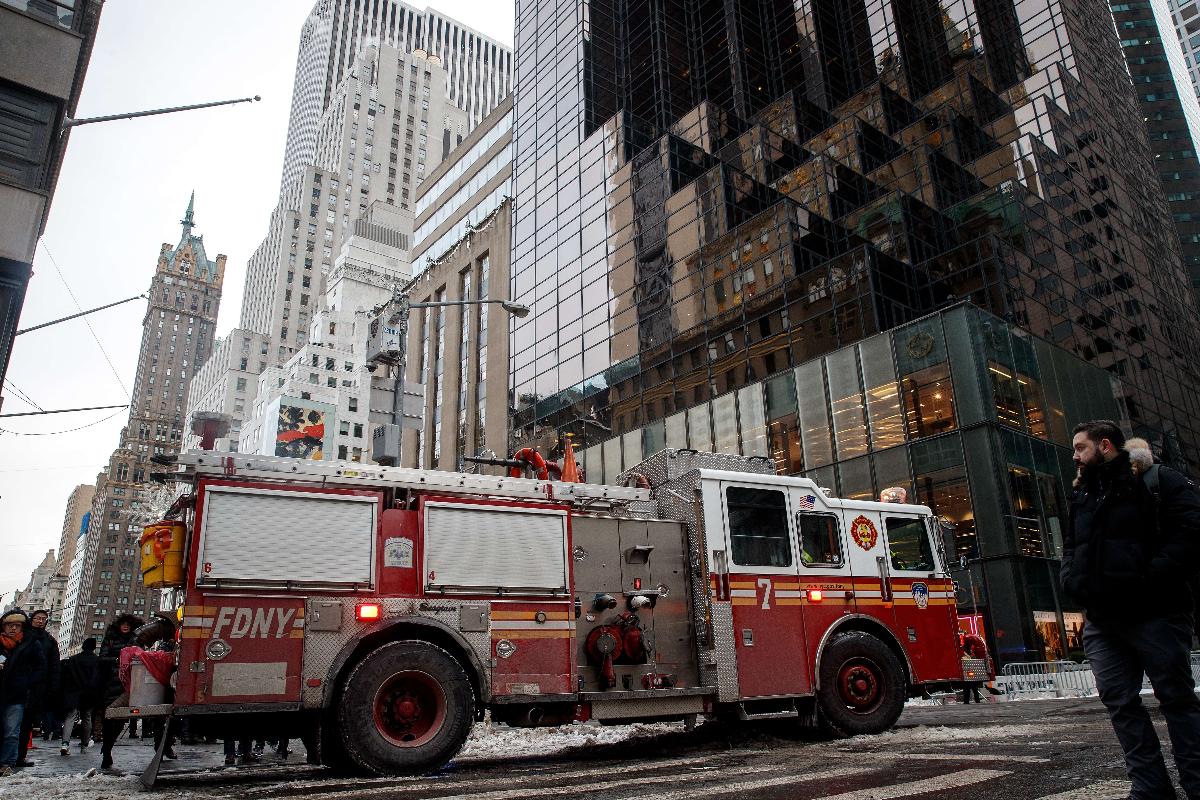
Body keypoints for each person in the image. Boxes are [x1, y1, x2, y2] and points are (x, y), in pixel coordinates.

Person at [1061, 420, 1200, 800]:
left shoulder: (1160, 480)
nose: (1074, 455)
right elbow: (1072, 546)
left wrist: (1146, 580)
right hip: (1103, 621)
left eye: (1079, 447)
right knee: (1120, 703)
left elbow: (1189, 537)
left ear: (1105, 445)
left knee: (1177, 700)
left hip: (1156, 612)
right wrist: (1072, 582)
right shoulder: (1083, 492)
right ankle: (1150, 788)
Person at [0, 610, 45, 777]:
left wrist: (26, 682)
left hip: (16, 694)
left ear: (22, 627)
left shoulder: (31, 643)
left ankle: (6, 763)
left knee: (12, 731)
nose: (13, 628)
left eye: (17, 625)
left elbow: (40, 668)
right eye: (9, 625)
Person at [96, 614, 142, 771]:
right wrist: (117, 660)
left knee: (121, 719)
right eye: (123, 624)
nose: (125, 626)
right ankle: (107, 750)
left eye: (128, 624)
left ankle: (108, 747)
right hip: (111, 683)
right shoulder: (110, 639)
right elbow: (101, 659)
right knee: (109, 718)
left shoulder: (135, 640)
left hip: (128, 684)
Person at [16, 609, 59, 767]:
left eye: (43, 619)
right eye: (37, 618)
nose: (40, 621)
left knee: (26, 723)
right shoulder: (22, 636)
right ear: (31, 619)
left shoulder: (50, 641)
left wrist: (52, 688)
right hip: (18, 685)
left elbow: (54, 666)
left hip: (37, 688)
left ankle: (20, 756)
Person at [59, 637, 101, 755]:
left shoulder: (73, 659)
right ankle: (84, 745)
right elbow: (98, 678)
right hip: (89, 693)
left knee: (70, 717)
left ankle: (65, 744)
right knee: (87, 718)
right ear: (94, 647)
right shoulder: (96, 660)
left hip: (73, 692)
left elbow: (66, 677)